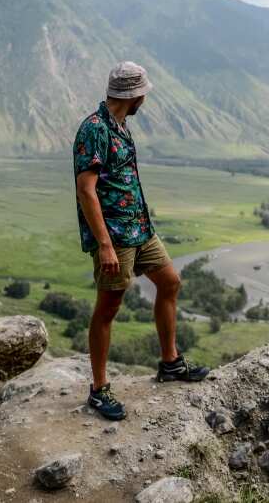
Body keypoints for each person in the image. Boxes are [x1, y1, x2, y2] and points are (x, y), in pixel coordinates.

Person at [72, 61, 208, 421]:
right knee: (109, 308)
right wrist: (103, 244)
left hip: (140, 228)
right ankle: (99, 390)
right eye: (143, 92)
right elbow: (86, 190)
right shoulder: (95, 129)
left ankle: (170, 363)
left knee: (170, 282)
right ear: (132, 95)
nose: (145, 98)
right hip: (115, 236)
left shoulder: (121, 126)